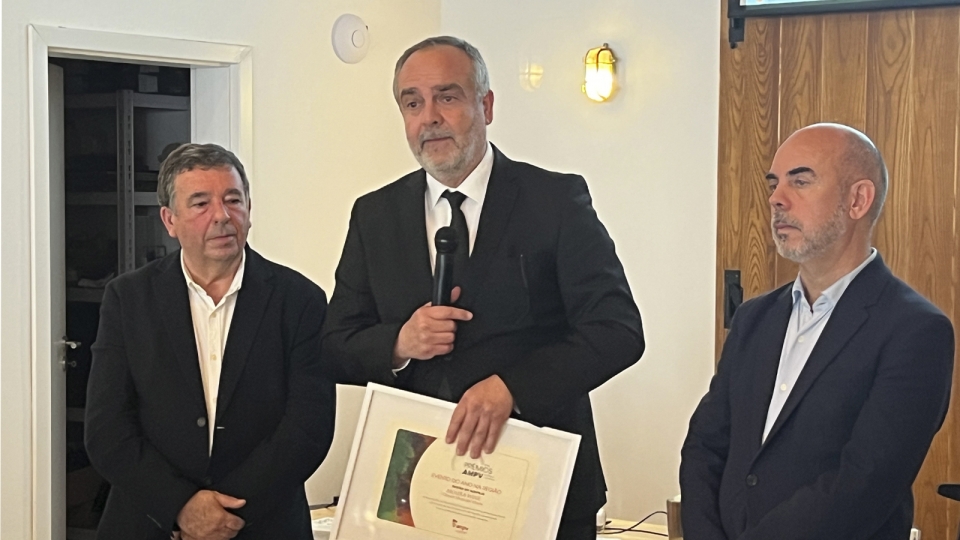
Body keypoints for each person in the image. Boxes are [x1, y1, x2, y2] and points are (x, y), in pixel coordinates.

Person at [321, 36, 644, 539]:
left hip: (538, 489)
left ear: (486, 106)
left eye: (447, 97)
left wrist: (512, 389)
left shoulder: (555, 200)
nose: (429, 117)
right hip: (419, 493)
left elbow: (617, 331)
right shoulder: (374, 215)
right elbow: (335, 346)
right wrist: (400, 343)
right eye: (412, 103)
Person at [680, 123, 954, 539]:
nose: (776, 198)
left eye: (800, 181)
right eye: (773, 183)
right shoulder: (754, 318)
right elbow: (705, 445)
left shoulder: (915, 330)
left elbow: (865, 484)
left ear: (858, 200)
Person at [85, 143, 335, 540]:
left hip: (264, 524)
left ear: (249, 208)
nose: (221, 216)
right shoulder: (128, 299)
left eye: (233, 200)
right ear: (169, 220)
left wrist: (224, 514)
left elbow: (309, 426)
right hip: (151, 522)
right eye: (201, 204)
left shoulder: (300, 300)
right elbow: (107, 429)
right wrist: (180, 507)